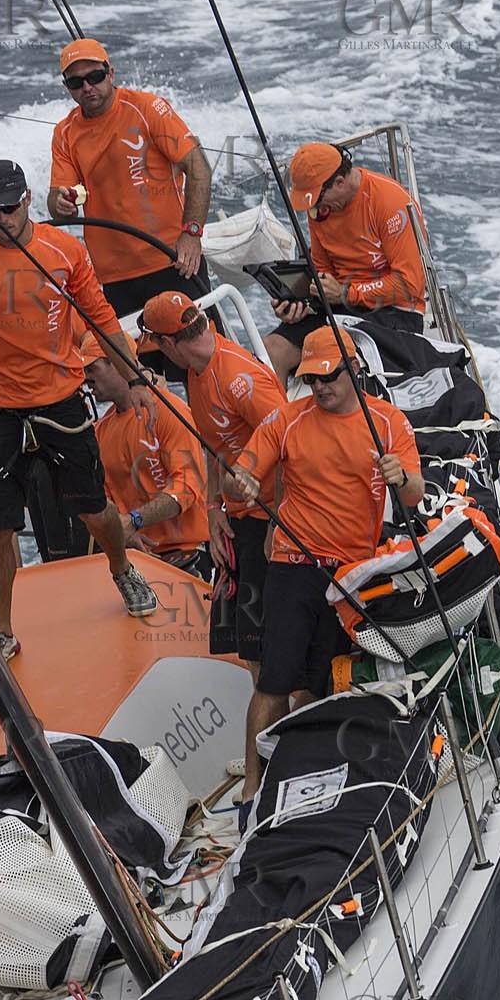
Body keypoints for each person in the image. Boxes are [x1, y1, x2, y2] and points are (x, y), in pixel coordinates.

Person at [0, 159, 158, 662]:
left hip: (61, 400)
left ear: (26, 201)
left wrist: (134, 377)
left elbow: (101, 319)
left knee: (92, 507)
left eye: (10, 207)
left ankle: (121, 567)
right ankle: (2, 631)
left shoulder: (65, 252)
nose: (2, 218)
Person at [226, 327, 424, 807]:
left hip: (352, 575)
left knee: (323, 685)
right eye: (310, 379)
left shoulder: (389, 422)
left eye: (328, 377)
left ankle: (294, 770)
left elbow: (414, 495)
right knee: (274, 680)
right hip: (294, 562)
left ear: (354, 371)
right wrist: (243, 486)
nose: (319, 388)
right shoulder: (287, 421)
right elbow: (237, 479)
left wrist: (401, 478)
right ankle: (252, 787)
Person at [136, 290, 287, 803]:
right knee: (246, 646)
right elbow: (216, 448)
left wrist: (281, 522)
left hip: (272, 521)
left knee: (274, 650)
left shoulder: (237, 376)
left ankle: (269, 764)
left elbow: (291, 441)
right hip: (238, 523)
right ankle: (270, 745)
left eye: (153, 345)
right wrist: (216, 510)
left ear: (167, 342)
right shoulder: (195, 375)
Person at [46, 38, 212, 317]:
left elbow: (199, 169)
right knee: (138, 361)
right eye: (76, 83)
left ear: (111, 74)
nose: (87, 87)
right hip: (113, 278)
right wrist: (60, 203)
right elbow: (57, 201)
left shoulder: (147, 108)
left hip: (173, 261)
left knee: (196, 355)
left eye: (95, 77)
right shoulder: (64, 133)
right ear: (67, 87)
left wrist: (192, 234)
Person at [264, 142, 428, 388]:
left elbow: (409, 285)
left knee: (337, 361)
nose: (314, 210)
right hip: (339, 306)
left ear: (340, 182)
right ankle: (280, 425)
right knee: (271, 350)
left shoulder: (389, 202)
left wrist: (345, 293)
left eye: (317, 200)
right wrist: (298, 302)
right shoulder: (320, 209)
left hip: (393, 311)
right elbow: (322, 271)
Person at [82, 330, 209, 575]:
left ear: (119, 364)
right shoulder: (100, 431)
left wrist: (134, 521)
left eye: (91, 369)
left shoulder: (170, 412)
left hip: (187, 553)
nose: (85, 379)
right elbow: (102, 497)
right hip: (134, 556)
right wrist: (121, 533)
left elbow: (187, 486)